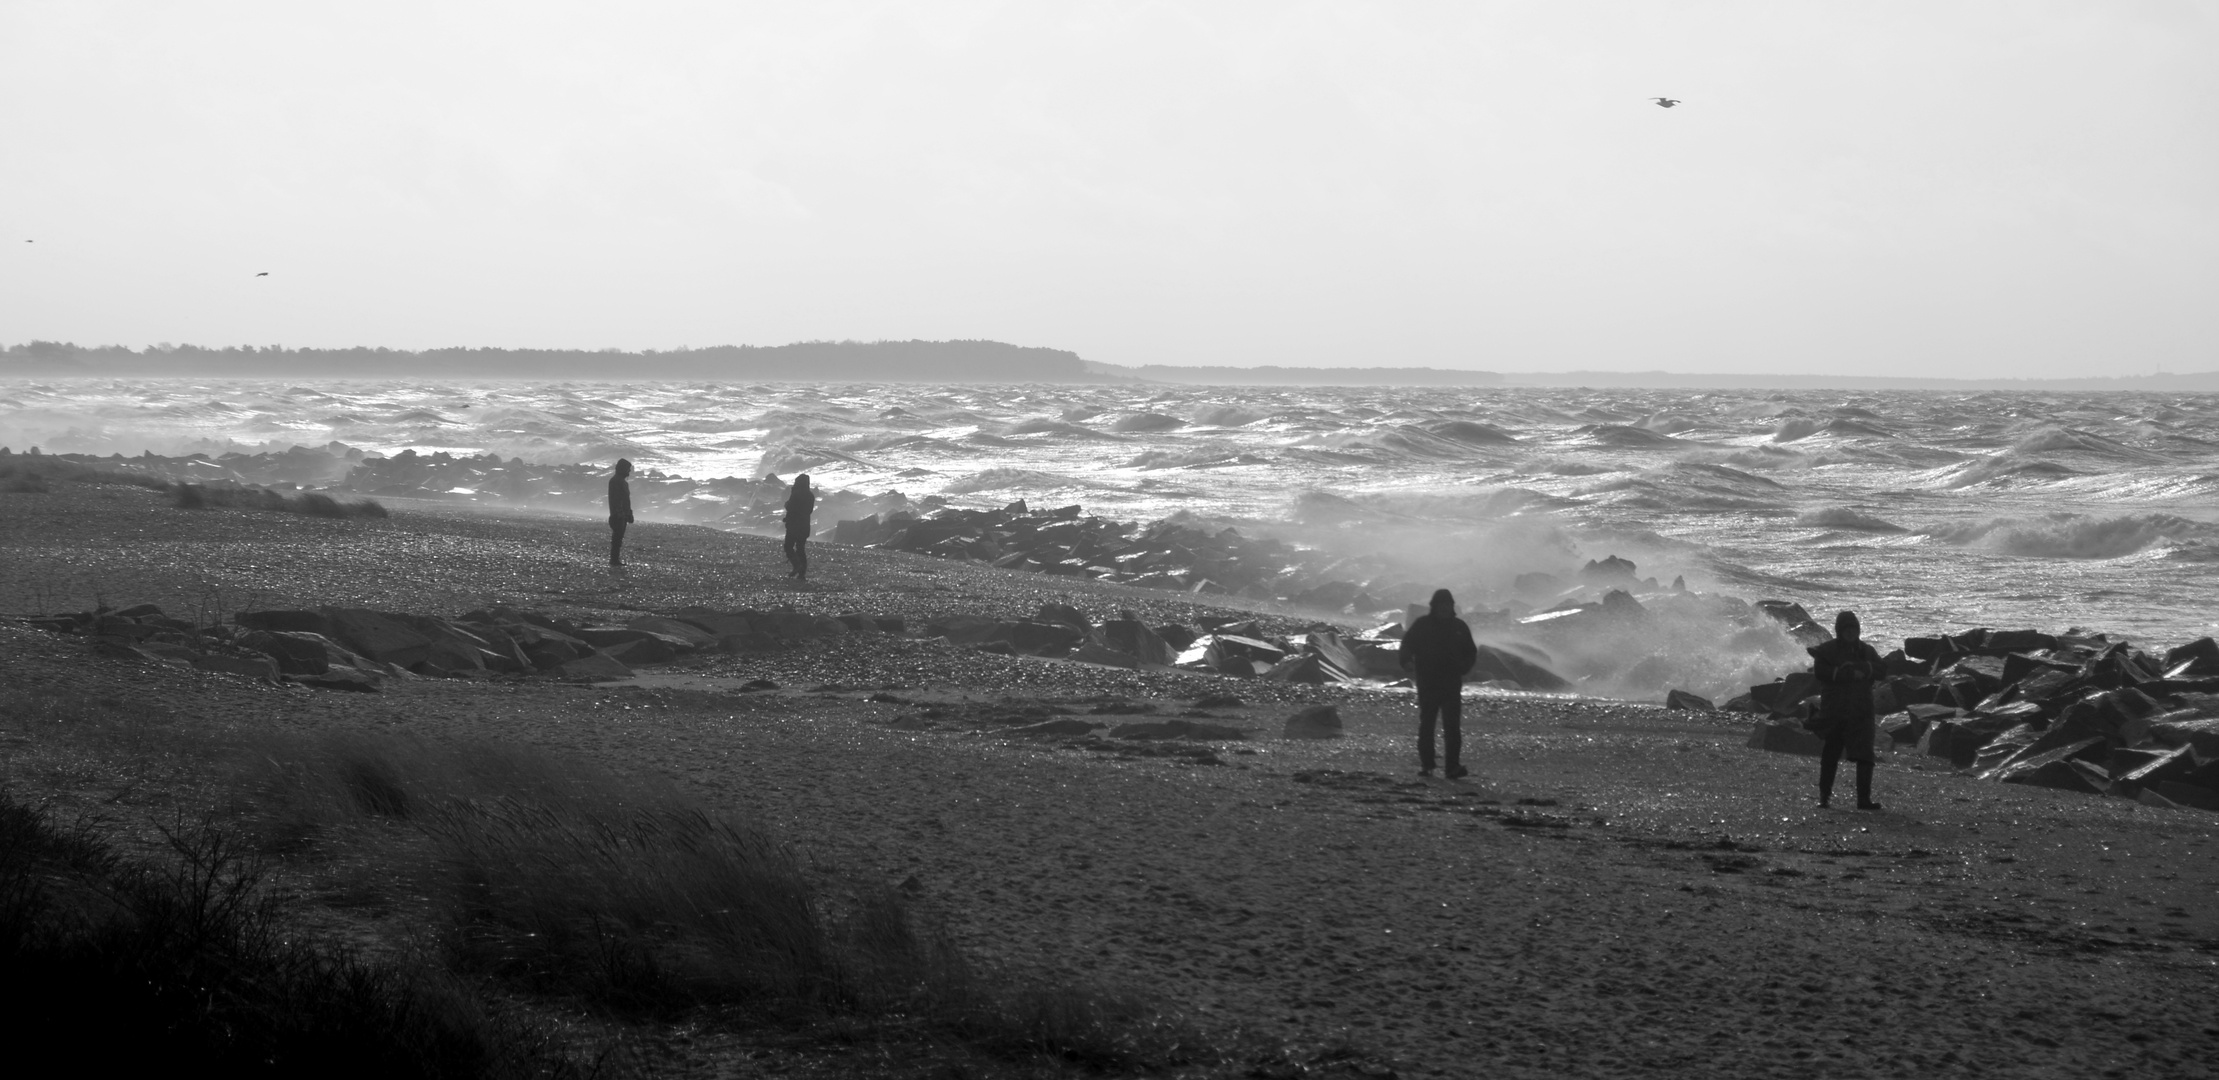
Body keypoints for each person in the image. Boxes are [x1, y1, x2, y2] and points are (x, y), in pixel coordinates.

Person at [1808, 610, 1885, 810]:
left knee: (1866, 755)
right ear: (1839, 631)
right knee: (1830, 754)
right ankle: (1824, 798)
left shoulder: (1867, 651)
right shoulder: (1827, 650)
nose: (1850, 633)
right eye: (1846, 629)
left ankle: (1863, 800)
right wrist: (1846, 674)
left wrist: (1865, 668)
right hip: (1835, 709)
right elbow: (1820, 671)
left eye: (1853, 629)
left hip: (1862, 710)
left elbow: (1883, 670)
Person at [1399, 588, 1480, 778]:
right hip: (1428, 682)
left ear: (1451, 607)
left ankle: (1452, 767)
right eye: (1441, 605)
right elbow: (1407, 644)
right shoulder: (1422, 625)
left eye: (1447, 605)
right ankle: (1427, 766)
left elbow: (1471, 651)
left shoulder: (1460, 627)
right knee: (1427, 725)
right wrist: (1407, 661)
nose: (1444, 609)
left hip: (1451, 684)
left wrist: (1464, 668)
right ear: (1434, 607)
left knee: (1452, 727)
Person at [784, 473, 815, 581]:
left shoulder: (796, 493)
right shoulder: (810, 495)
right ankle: (802, 573)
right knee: (800, 548)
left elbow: (790, 507)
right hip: (805, 525)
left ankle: (797, 565)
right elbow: (809, 511)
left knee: (788, 546)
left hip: (794, 525)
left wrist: (787, 505)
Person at [607, 458, 634, 571]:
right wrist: (621, 513)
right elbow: (616, 500)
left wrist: (628, 513)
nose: (629, 472)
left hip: (621, 515)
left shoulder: (620, 482)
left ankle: (615, 559)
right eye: (628, 469)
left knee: (618, 538)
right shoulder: (616, 482)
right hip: (618, 515)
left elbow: (625, 501)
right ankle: (614, 560)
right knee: (617, 538)